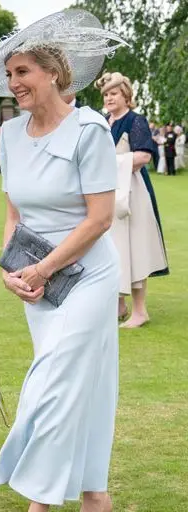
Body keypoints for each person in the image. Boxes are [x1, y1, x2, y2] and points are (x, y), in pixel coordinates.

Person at [0, 9, 126, 512]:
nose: (14, 83)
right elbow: (15, 209)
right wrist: (17, 269)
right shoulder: (10, 132)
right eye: (9, 74)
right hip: (42, 288)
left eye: (24, 70)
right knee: (83, 387)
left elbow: (99, 219)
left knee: (50, 388)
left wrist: (44, 268)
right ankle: (94, 497)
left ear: (54, 72)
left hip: (88, 279)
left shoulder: (90, 131)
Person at [95, 72, 169, 328]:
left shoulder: (136, 121)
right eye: (106, 94)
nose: (109, 98)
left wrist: (110, 162)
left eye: (113, 93)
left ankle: (140, 311)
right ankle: (119, 306)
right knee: (111, 249)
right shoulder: (104, 121)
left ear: (126, 95)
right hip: (108, 191)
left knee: (133, 248)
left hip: (133, 192)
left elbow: (144, 157)